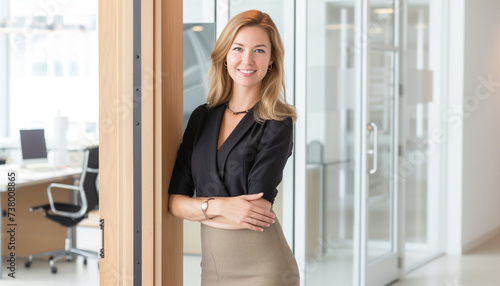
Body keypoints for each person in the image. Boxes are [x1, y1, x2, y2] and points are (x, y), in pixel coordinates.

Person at [168, 10, 299, 285]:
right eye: (238, 48)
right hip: (212, 269)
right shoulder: (201, 117)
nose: (247, 60)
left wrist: (201, 206)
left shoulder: (277, 121)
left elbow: (254, 210)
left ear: (272, 60)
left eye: (259, 51)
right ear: (225, 55)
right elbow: (174, 204)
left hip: (264, 269)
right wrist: (224, 207)